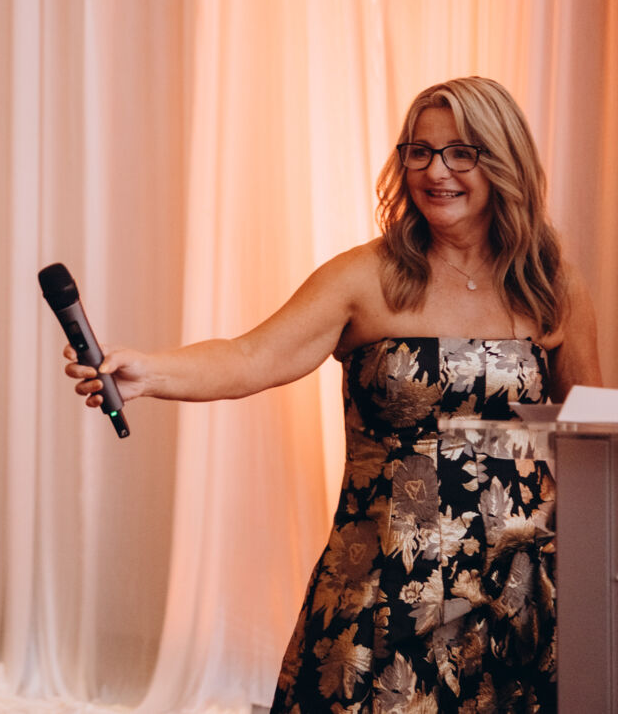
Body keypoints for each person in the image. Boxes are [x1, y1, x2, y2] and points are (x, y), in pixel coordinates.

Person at [64, 76, 601, 711]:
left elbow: (592, 437)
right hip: (387, 587)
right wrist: (149, 372)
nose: (436, 171)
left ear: (504, 162)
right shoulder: (367, 275)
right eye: (420, 152)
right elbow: (251, 356)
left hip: (518, 592)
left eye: (461, 152)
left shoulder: (551, 284)